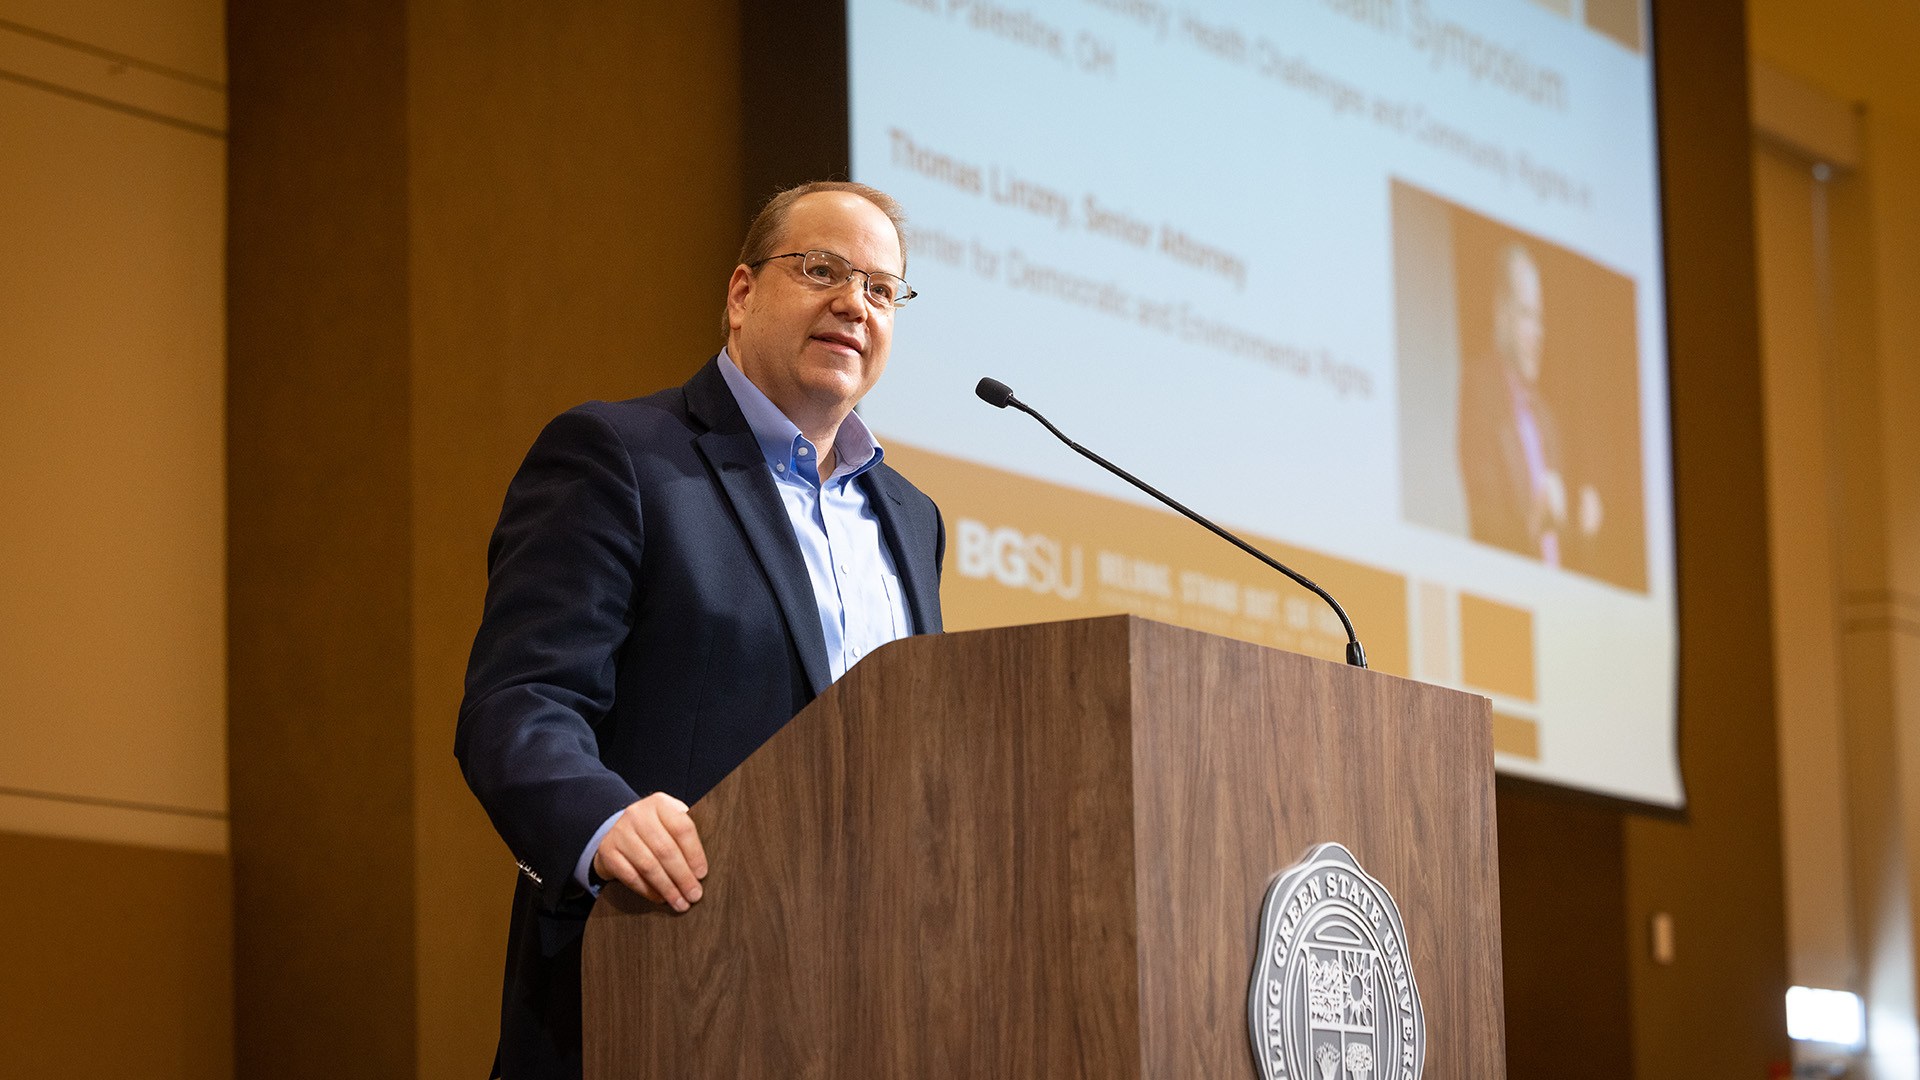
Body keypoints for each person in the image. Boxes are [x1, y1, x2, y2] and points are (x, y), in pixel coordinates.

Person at [455, 181, 945, 1079]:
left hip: (873, 1004)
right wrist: (601, 821)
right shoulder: (622, 457)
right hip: (663, 980)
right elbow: (519, 703)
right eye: (822, 269)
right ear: (742, 293)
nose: (853, 303)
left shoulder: (913, 518)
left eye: (881, 289)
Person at [1457, 242, 1601, 566]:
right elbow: (1484, 521)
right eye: (1526, 315)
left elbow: (1557, 546)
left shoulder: (1547, 420)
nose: (1538, 334)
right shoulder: (1479, 390)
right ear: (1501, 314)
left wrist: (1582, 525)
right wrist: (1533, 523)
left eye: (1541, 320)